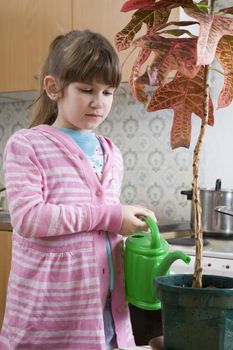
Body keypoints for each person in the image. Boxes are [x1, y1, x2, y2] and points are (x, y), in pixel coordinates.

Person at [0, 30, 156, 350]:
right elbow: (29, 218)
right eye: (87, 90)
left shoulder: (112, 152)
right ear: (54, 88)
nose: (99, 102)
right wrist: (112, 216)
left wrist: (131, 228)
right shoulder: (27, 145)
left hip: (105, 316)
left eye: (108, 92)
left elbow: (101, 230)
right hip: (50, 318)